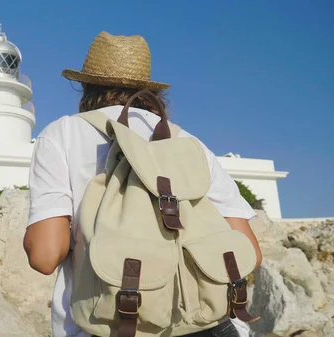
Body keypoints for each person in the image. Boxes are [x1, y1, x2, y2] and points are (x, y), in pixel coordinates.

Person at [23, 31, 262, 337]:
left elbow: (45, 255)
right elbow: (250, 253)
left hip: (106, 326)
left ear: (86, 86)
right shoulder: (187, 142)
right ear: (151, 92)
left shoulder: (62, 134)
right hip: (210, 326)